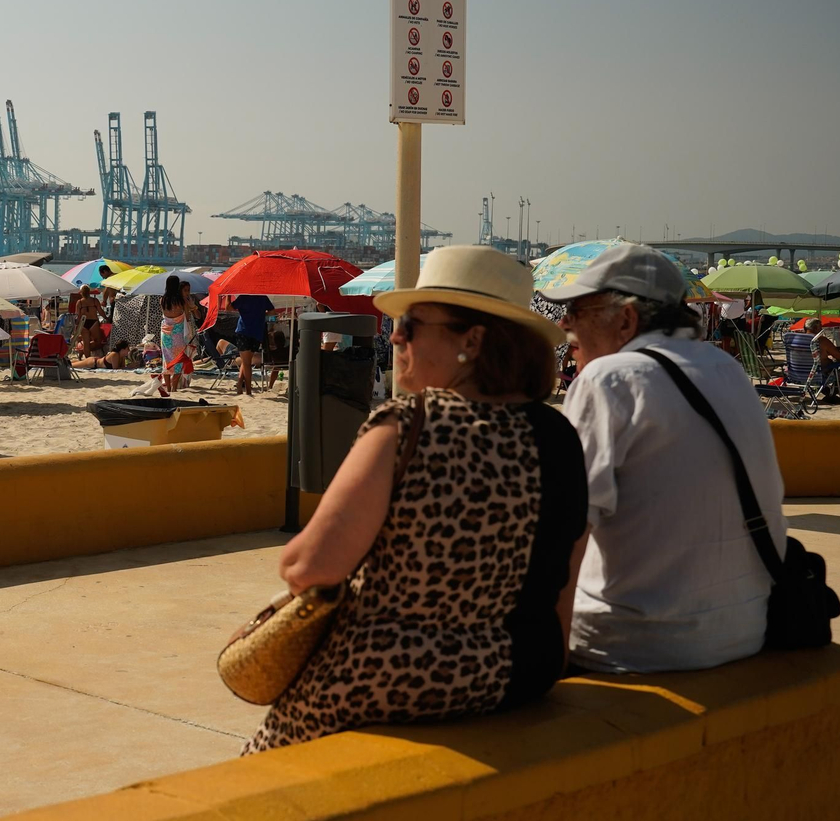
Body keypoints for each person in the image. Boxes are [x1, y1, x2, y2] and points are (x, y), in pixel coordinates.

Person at [246, 246, 587, 753]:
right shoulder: (560, 436)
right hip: (520, 672)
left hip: (385, 676)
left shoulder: (408, 425)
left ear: (472, 340)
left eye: (413, 323)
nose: (395, 335)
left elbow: (308, 567)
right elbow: (563, 592)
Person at [538, 243, 788, 673]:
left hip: (637, 642)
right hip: (745, 630)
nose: (564, 324)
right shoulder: (725, 369)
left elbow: (567, 532)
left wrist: (548, 660)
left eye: (576, 311)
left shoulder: (609, 378)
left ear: (626, 320)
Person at [223, 294, 273, 396]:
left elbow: (228, 308)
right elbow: (273, 312)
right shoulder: (263, 297)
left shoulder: (244, 297)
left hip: (244, 331)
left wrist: (228, 295)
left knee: (246, 363)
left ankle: (248, 391)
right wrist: (261, 315)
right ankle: (240, 384)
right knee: (246, 361)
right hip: (257, 333)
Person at [804, 317, 840, 400]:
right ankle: (831, 395)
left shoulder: (796, 339)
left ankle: (825, 390)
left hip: (798, 373)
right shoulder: (821, 340)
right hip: (818, 374)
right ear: (816, 328)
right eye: (821, 327)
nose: (822, 329)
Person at [159, 276, 190, 392]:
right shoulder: (181, 301)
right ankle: (174, 388)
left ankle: (168, 387)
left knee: (166, 360)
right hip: (178, 333)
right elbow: (187, 316)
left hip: (166, 332)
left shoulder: (163, 300)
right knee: (178, 360)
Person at [73, 286, 104, 359]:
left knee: (86, 344)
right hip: (93, 322)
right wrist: (106, 318)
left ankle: (87, 359)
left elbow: (77, 315)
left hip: (83, 323)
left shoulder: (79, 302)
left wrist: (76, 326)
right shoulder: (94, 301)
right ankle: (84, 352)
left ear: (81, 293)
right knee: (98, 341)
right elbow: (100, 311)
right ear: (89, 292)